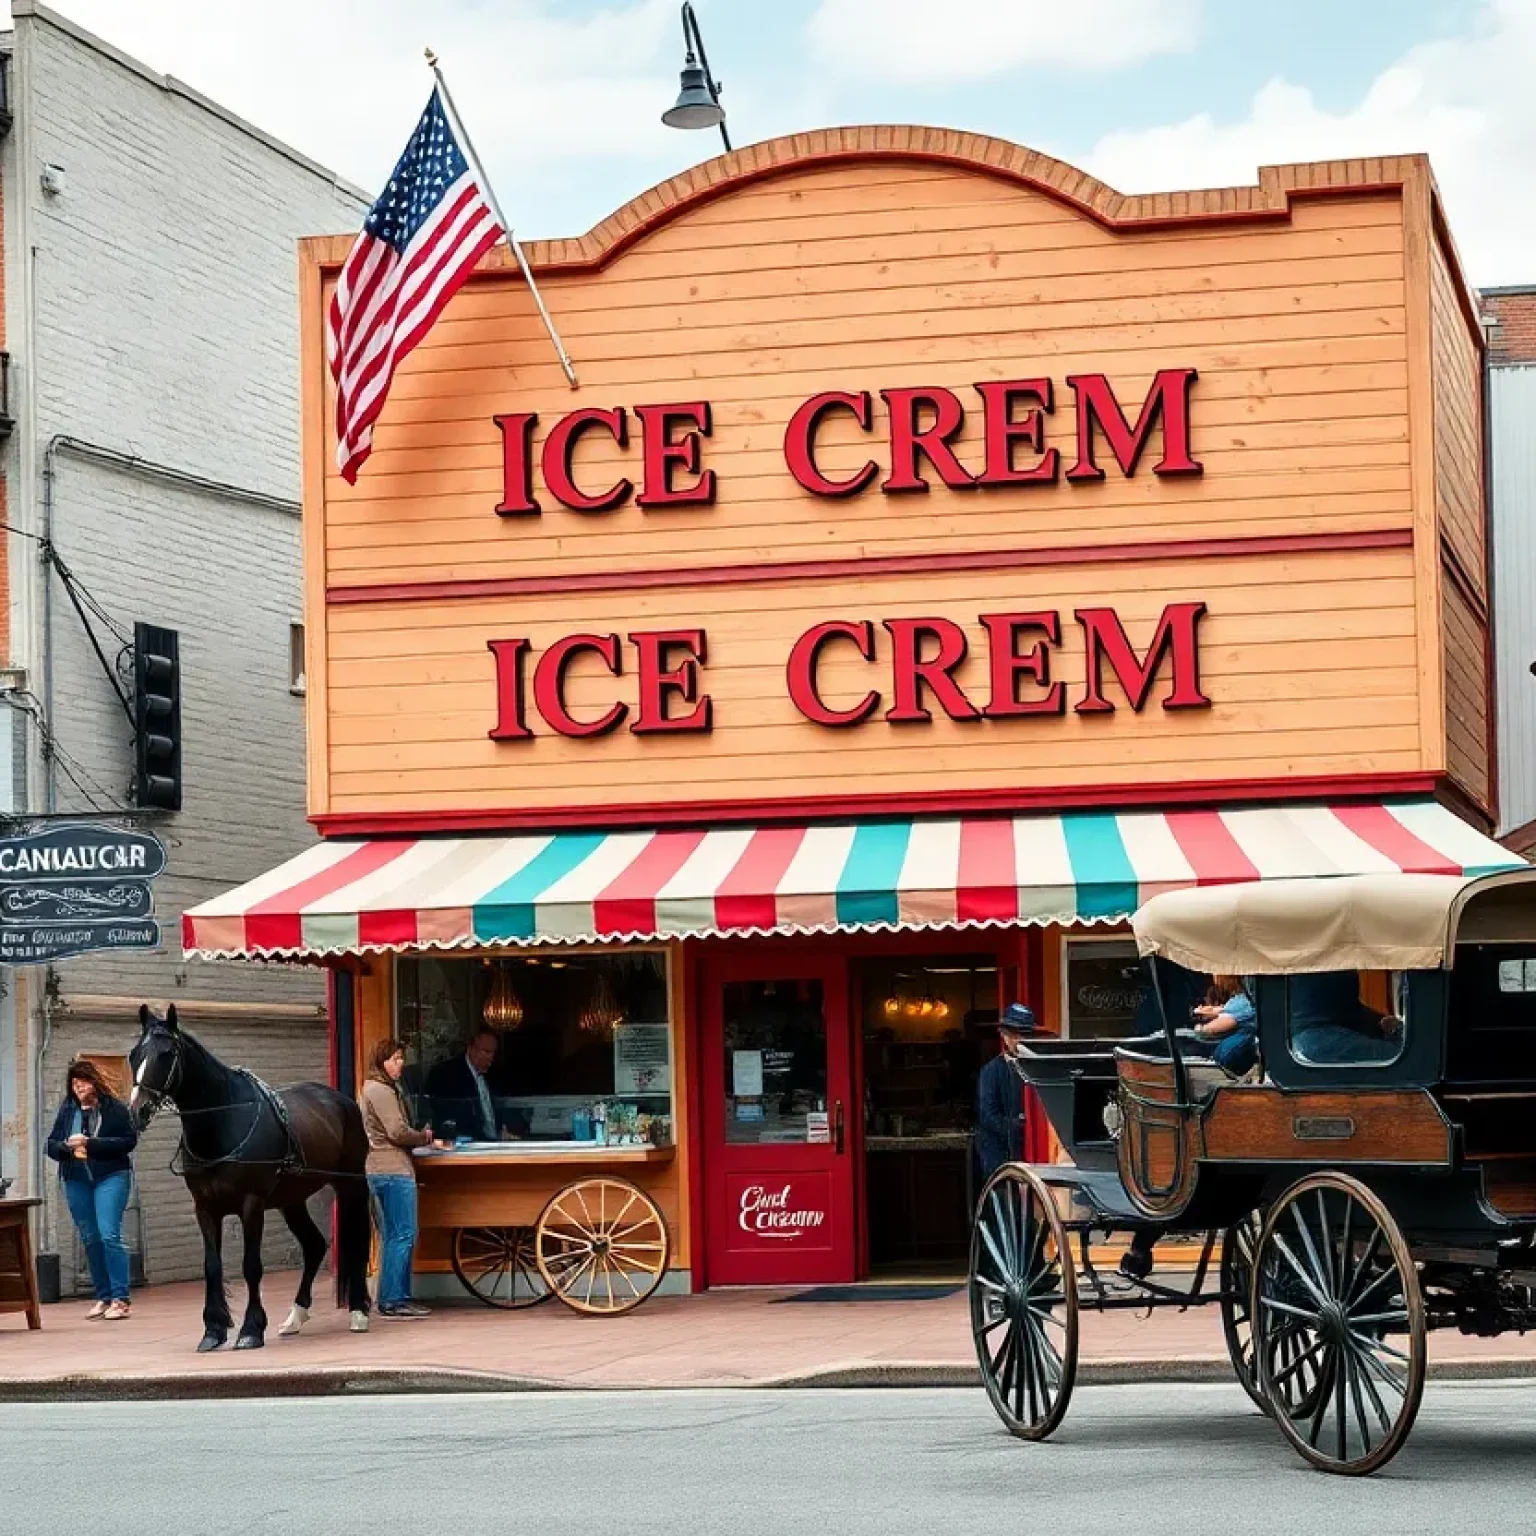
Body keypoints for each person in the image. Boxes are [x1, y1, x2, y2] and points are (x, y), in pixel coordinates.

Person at [45, 1058, 138, 1320]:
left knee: (109, 1234)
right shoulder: (68, 1110)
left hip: (111, 1175)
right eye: (74, 1083)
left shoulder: (114, 1108)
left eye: (83, 1082)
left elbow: (128, 1141)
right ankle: (103, 1295)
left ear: (95, 1082)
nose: (79, 1088)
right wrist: (65, 1148)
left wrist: (91, 1143)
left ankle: (120, 1299)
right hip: (76, 1178)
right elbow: (50, 1144)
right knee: (90, 1236)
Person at [362, 1038, 435, 1319]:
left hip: (381, 1169)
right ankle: (394, 1299)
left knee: (395, 1235)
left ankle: (394, 1296)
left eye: (402, 1058)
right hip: (391, 1170)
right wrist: (423, 1137)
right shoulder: (380, 1090)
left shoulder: (377, 1088)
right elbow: (396, 1131)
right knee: (401, 1234)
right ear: (382, 1061)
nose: (400, 1063)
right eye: (394, 1058)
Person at [975, 1003, 1038, 1180]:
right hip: (1001, 1156)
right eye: (1014, 1034)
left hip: (1034, 1153)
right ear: (1004, 1035)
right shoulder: (991, 1071)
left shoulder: (1039, 1069)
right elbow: (988, 1115)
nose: (1019, 1040)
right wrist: (1020, 1128)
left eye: (1025, 1034)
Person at [425, 1027, 503, 1142]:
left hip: (495, 1144)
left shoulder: (495, 1074)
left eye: (493, 1053)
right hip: (463, 1146)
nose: (490, 1057)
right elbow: (439, 1113)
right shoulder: (445, 1073)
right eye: (486, 1051)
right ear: (471, 1048)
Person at [1189, 975, 1259, 1076]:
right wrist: (1212, 1012)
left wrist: (1200, 1026)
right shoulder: (1239, 1001)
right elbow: (1225, 1012)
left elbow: (1208, 1030)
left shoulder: (1244, 1002)